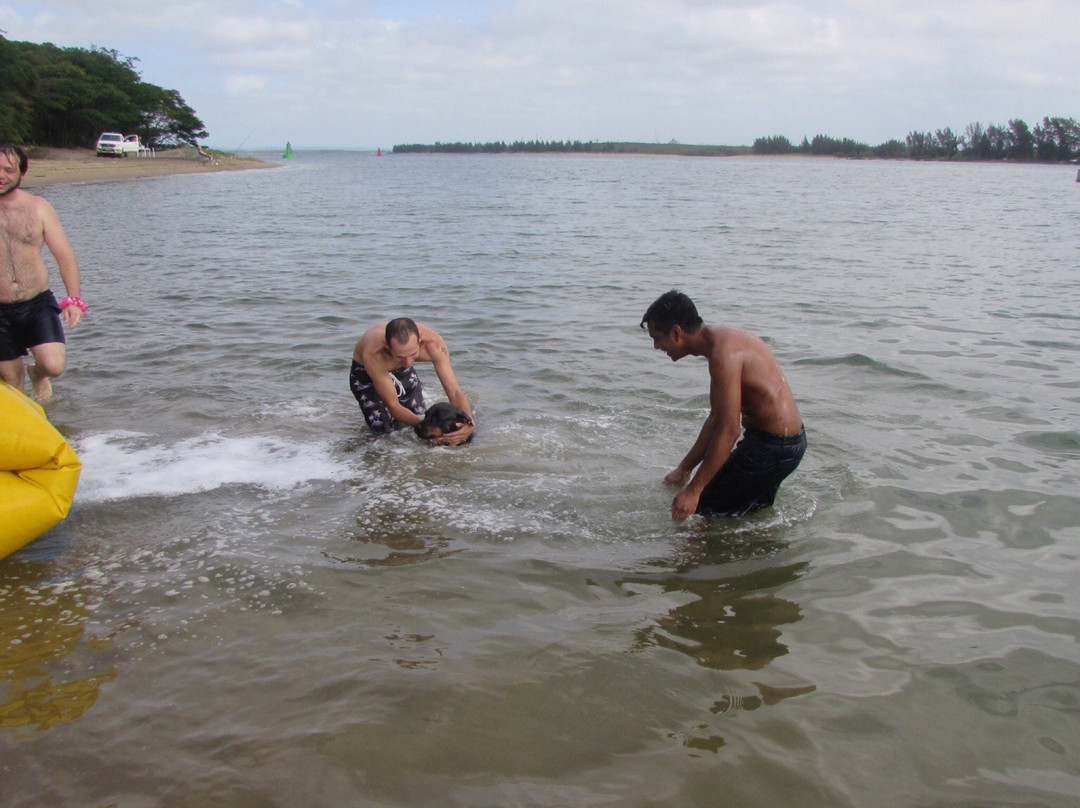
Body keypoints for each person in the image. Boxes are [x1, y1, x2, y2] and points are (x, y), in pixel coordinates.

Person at [641, 290, 805, 521]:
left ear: (677, 332)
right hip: (785, 444)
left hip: (772, 447)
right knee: (747, 518)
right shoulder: (718, 342)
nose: (657, 346)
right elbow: (716, 419)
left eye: (657, 338)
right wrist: (685, 468)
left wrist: (693, 491)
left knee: (700, 514)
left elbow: (729, 431)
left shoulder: (723, 355)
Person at [0, 144, 86, 402]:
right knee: (12, 383)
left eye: (8, 169)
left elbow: (64, 255)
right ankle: (32, 434)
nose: (1, 175)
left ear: (22, 173)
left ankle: (38, 374)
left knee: (53, 365)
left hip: (37, 301)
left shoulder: (38, 207)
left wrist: (74, 300)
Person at [350, 318, 475, 445]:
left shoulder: (434, 345)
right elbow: (393, 406)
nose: (408, 362)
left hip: (399, 369)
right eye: (401, 357)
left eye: (413, 354)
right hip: (367, 372)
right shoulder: (374, 352)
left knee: (418, 416)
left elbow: (454, 391)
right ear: (388, 346)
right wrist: (425, 428)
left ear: (419, 341)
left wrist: (469, 425)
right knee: (384, 432)